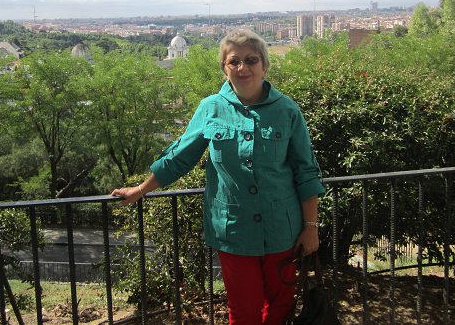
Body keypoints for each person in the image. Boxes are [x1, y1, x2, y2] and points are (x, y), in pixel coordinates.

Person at [111, 28, 325, 325]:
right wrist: (140, 189)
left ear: (264, 65)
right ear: (225, 68)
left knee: (281, 306)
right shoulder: (211, 108)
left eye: (251, 60)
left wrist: (311, 227)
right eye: (234, 61)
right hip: (234, 231)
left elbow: (306, 171)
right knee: (244, 310)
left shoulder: (287, 110)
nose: (242, 67)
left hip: (282, 229)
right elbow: (179, 157)